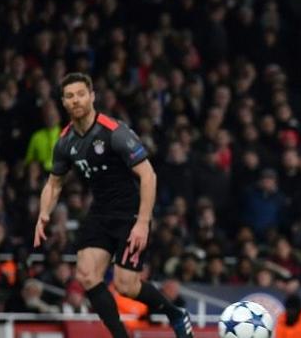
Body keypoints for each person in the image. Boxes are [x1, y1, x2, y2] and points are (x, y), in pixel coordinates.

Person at [33, 73, 193, 338]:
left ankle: (175, 312)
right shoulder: (64, 142)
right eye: (70, 96)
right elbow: (54, 184)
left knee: (125, 285)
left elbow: (148, 176)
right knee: (86, 274)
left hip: (130, 213)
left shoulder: (113, 131)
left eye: (81, 94)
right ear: (63, 102)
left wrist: (142, 223)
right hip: (100, 212)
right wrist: (43, 213)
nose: (76, 100)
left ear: (92, 96)